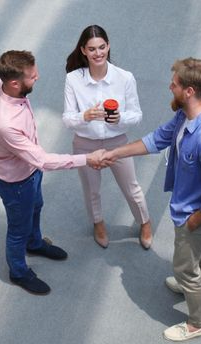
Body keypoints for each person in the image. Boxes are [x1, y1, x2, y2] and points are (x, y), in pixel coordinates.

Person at [103, 57, 201, 341]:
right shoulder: (188, 115)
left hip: (193, 212)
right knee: (200, 253)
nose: (169, 85)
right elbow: (157, 139)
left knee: (185, 266)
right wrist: (115, 153)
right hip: (190, 206)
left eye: (174, 83)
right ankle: (195, 288)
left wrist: (194, 219)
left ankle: (199, 322)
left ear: (188, 91)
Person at [0, 50, 105, 295]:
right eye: (32, 76)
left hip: (28, 173)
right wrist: (87, 158)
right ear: (15, 83)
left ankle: (35, 243)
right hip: (16, 182)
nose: (38, 77)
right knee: (17, 230)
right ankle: (18, 272)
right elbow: (43, 160)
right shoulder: (6, 124)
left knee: (37, 206)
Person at [63, 24, 152, 249]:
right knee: (91, 190)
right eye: (92, 49)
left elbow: (137, 115)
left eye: (102, 47)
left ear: (108, 46)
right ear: (83, 50)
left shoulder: (125, 78)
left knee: (132, 187)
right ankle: (98, 223)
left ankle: (145, 222)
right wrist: (85, 116)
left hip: (117, 143)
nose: (98, 53)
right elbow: (67, 119)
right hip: (85, 145)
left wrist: (119, 118)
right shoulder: (73, 79)